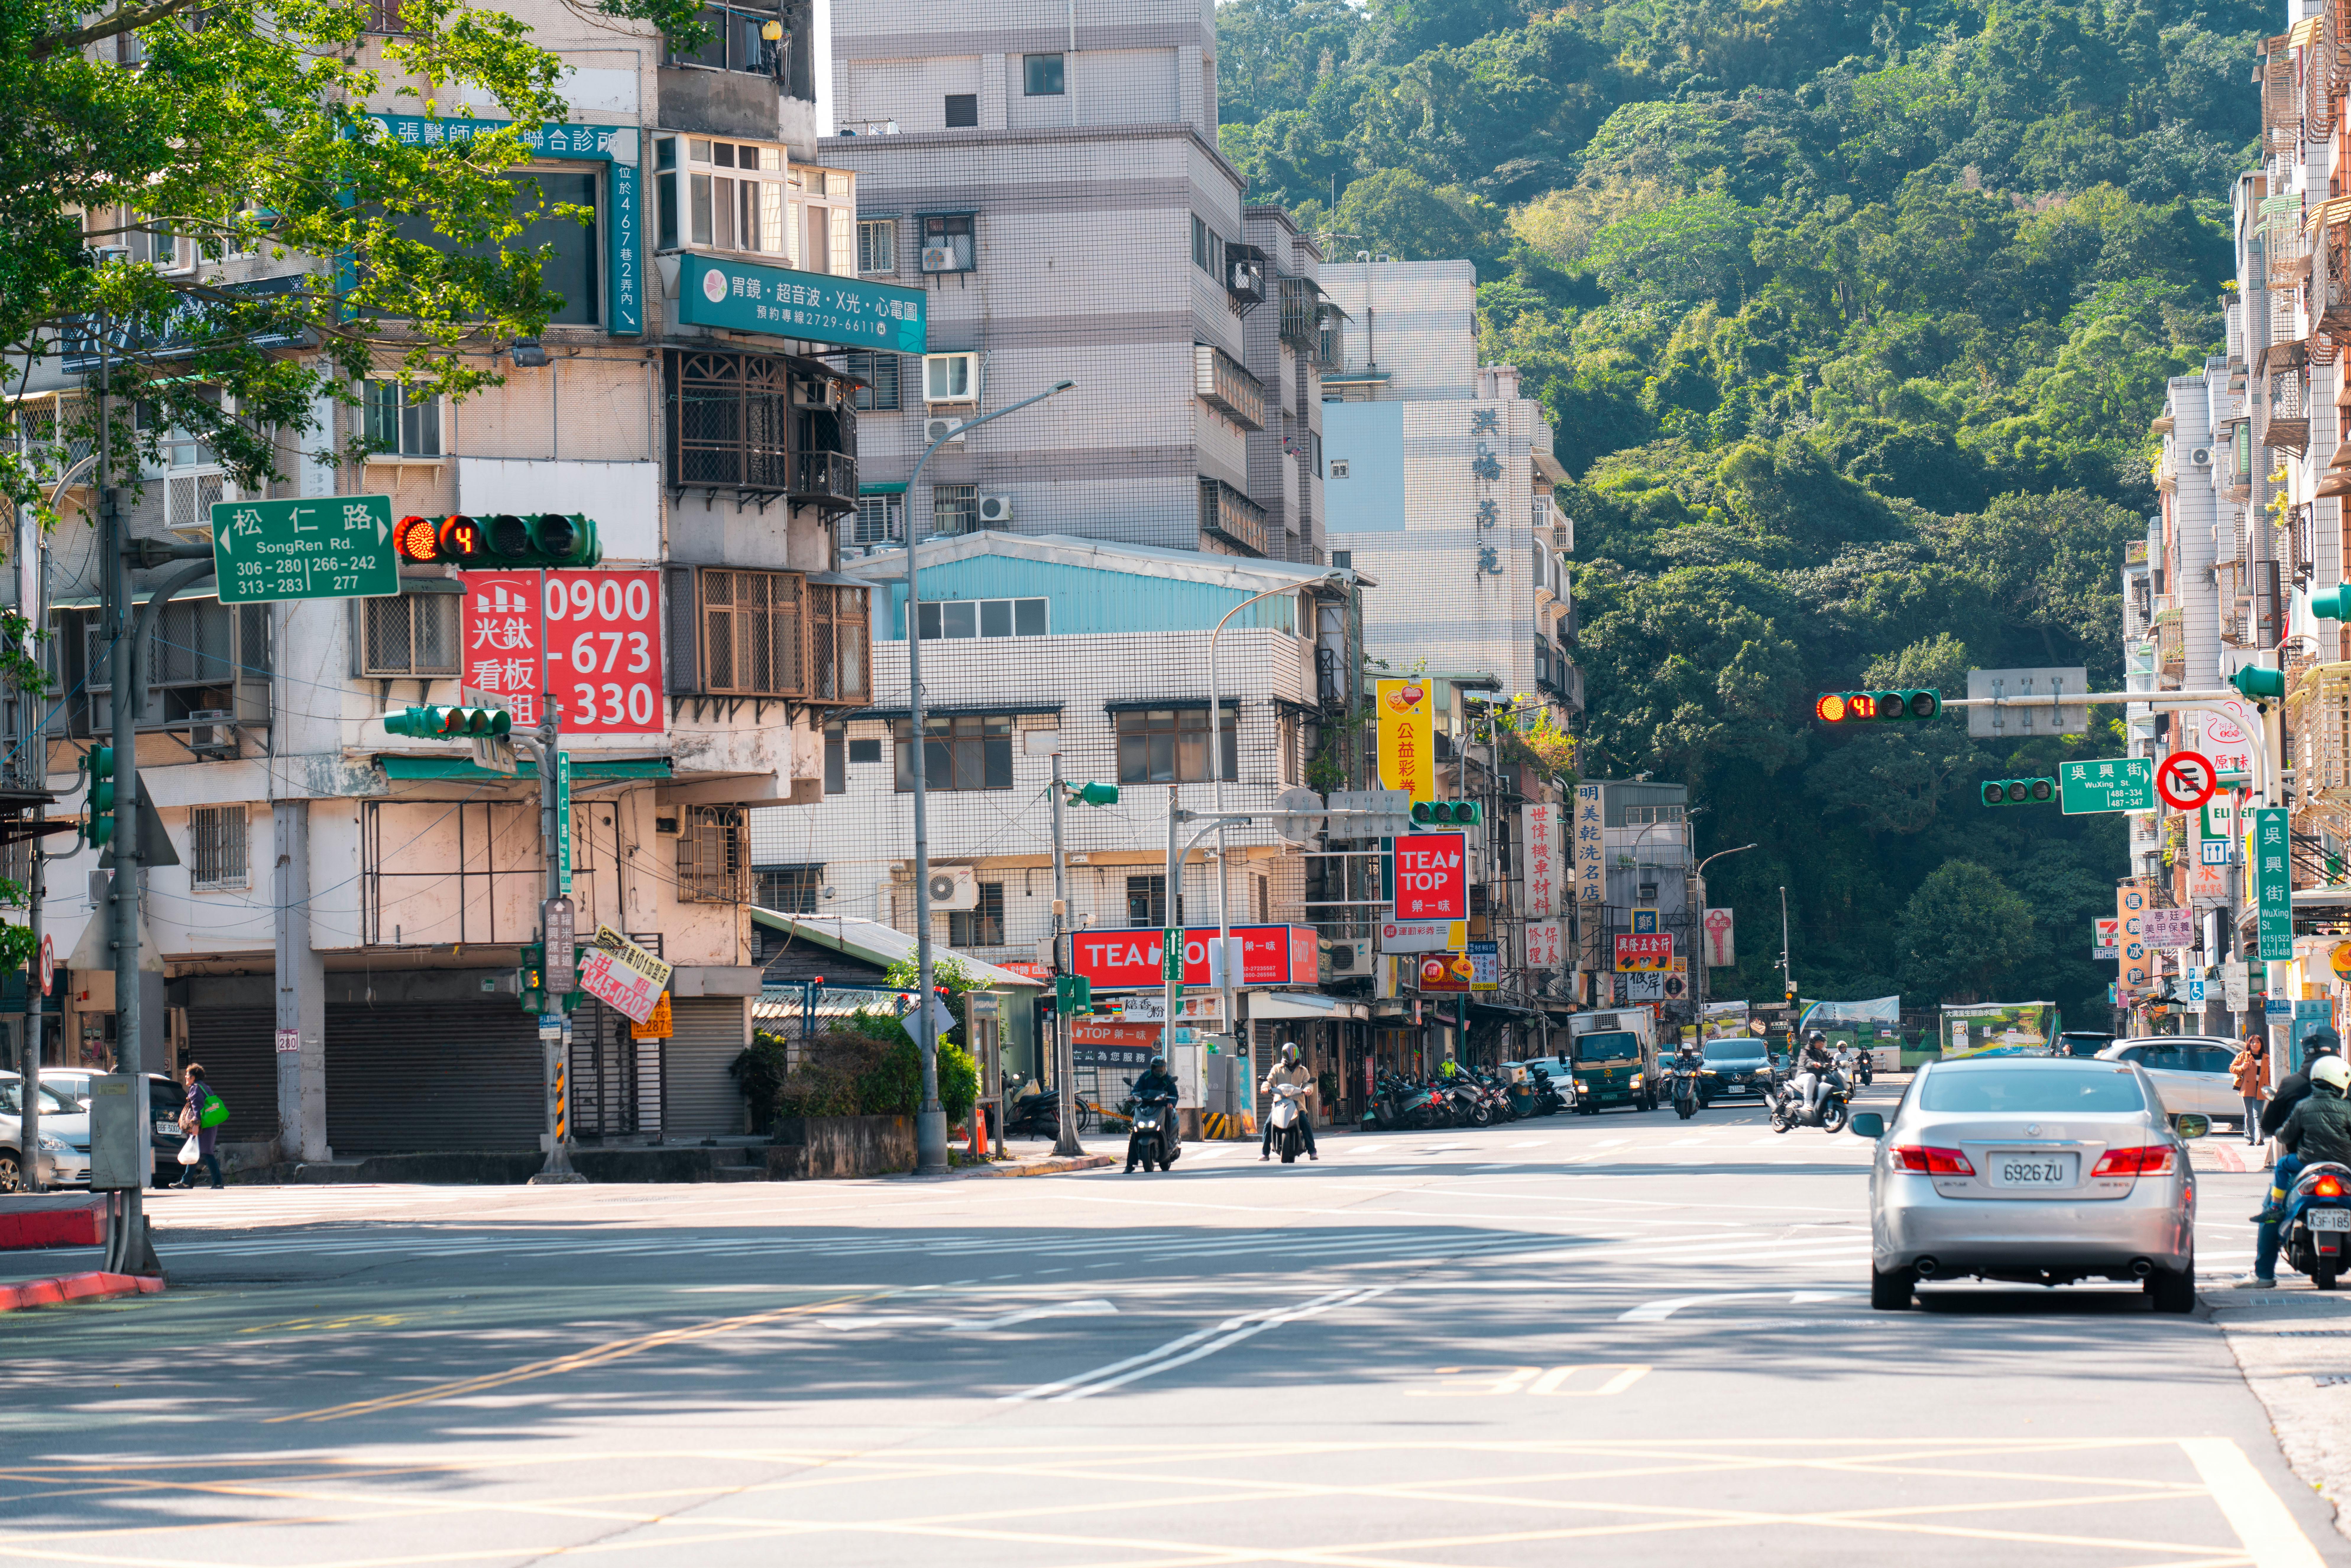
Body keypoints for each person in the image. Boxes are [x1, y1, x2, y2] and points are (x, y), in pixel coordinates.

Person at [2242, 1054, 2351, 1286]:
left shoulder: (2304, 1105)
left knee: (2282, 1166)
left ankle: (2274, 1207)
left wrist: (2281, 1133)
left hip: (2307, 1162)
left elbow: (2286, 1133)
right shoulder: (2347, 1107)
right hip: (2344, 1165)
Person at [1261, 1041, 1318, 1162]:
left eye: (1294, 1053)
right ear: (1284, 1055)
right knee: (1268, 1124)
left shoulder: (1303, 1071)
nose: (1292, 1056)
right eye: (1289, 1053)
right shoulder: (1277, 1068)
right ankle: (1265, 1153)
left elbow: (1309, 1083)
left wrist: (1308, 1089)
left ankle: (1312, 1151)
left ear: (1298, 1054)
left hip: (1298, 1105)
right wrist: (1265, 1087)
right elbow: (1269, 1081)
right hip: (1279, 1104)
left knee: (1305, 1123)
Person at [1126, 1054, 1180, 1175]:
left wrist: (1171, 1103)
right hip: (1145, 1106)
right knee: (1135, 1132)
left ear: (1165, 1068)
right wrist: (1133, 1095)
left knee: (1169, 1112)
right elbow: (1137, 1089)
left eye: (1162, 1068)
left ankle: (1168, 1138)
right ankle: (1130, 1165)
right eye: (1157, 1068)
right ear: (1152, 1068)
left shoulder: (1168, 1079)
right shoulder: (1146, 1076)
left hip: (1162, 1107)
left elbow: (1175, 1095)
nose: (1160, 1071)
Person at [176, 1063, 223, 1190]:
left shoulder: (195, 1089)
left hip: (204, 1126)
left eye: (187, 1076)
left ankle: (218, 1183)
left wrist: (196, 1125)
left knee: (207, 1153)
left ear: (193, 1078)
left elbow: (198, 1109)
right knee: (196, 1150)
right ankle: (186, 1182)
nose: (186, 1077)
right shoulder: (204, 1087)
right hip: (209, 1123)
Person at [2230, 1033, 2270, 1146]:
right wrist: (2242, 1067)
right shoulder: (2243, 1056)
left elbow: (2270, 1074)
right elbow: (2232, 1068)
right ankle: (2250, 1138)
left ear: (2261, 1044)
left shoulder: (2266, 1058)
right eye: (2253, 1042)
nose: (2255, 1045)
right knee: (2249, 1115)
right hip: (2247, 1088)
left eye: (2258, 1042)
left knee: (2258, 1114)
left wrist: (2270, 1086)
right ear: (2249, 1044)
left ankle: (2260, 1138)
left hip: (2261, 1089)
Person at [1793, 1030, 1840, 1118]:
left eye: (1823, 1042)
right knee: (1811, 1076)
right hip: (1803, 1077)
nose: (1821, 1044)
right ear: (1813, 1042)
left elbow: (1830, 1062)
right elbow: (1806, 1060)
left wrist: (1838, 1063)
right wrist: (1814, 1063)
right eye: (1819, 1042)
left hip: (1817, 1081)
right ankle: (1808, 1103)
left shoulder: (1822, 1054)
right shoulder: (1806, 1052)